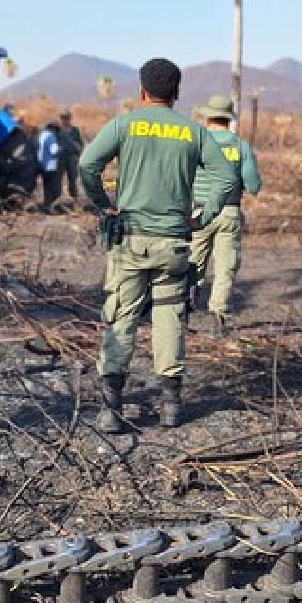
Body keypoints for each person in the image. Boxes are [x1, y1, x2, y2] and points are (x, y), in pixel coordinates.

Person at [79, 58, 236, 432]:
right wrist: (203, 215)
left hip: (130, 239)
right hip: (174, 242)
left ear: (141, 91)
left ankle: (111, 408)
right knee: (169, 317)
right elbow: (227, 178)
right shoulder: (194, 133)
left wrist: (104, 204)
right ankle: (171, 407)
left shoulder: (124, 125)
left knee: (122, 315)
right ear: (177, 93)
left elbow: (87, 165)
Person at [189, 95, 262, 332]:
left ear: (208, 117)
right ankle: (218, 317)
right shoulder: (240, 146)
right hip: (229, 212)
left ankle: (185, 314)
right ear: (229, 119)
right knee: (224, 268)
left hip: (198, 212)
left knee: (192, 263)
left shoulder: (195, 143)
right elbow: (253, 186)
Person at [58, 109, 86, 201]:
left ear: (70, 118)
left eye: (66, 118)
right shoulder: (57, 130)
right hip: (60, 158)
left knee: (73, 180)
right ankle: (58, 199)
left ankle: (74, 199)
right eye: (63, 118)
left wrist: (77, 150)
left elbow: (80, 145)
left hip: (71, 158)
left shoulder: (75, 130)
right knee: (58, 179)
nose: (64, 120)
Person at [37, 122, 63, 207]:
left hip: (41, 164)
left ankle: (46, 204)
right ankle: (51, 206)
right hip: (50, 165)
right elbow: (54, 151)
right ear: (53, 129)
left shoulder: (41, 135)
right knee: (52, 187)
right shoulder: (51, 136)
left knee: (46, 186)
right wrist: (61, 149)